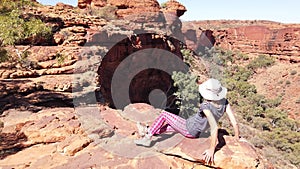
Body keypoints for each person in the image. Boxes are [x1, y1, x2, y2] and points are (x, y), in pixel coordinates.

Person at [134, 78, 240, 165]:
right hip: (194, 129)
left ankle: (147, 138)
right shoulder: (224, 102)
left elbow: (214, 127)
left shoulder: (206, 106)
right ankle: (148, 130)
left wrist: (212, 149)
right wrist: (236, 136)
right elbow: (234, 122)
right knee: (169, 126)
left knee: (164, 115)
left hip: (189, 128)